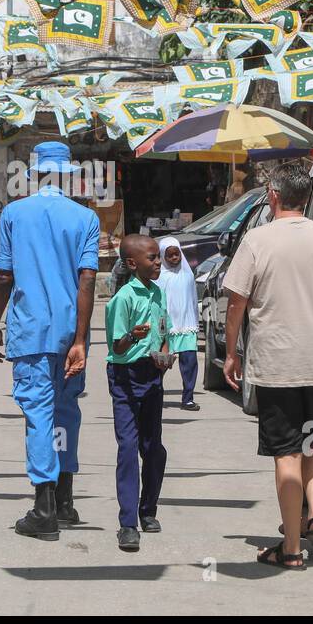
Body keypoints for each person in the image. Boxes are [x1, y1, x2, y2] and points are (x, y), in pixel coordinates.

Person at [222, 167, 313, 571]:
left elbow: (236, 303)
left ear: (273, 195)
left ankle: (292, 548)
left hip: (278, 362)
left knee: (286, 453)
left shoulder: (257, 239)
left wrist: (231, 353)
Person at [0, 141, 100, 542]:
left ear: (33, 173)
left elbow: (4, 276)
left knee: (38, 414)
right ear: (68, 174)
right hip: (71, 333)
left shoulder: (15, 214)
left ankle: (44, 507)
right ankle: (66, 499)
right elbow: (88, 279)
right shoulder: (86, 217)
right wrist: (82, 339)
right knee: (65, 413)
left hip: (31, 334)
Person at [105, 235, 172, 552]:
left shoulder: (158, 293)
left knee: (153, 447)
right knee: (129, 448)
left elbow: (163, 329)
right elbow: (116, 347)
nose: (158, 262)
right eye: (152, 258)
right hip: (126, 376)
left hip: (152, 374)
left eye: (158, 257)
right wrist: (133, 335)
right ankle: (128, 522)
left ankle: (149, 510)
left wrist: (164, 352)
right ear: (132, 264)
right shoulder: (123, 299)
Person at [155, 236, 201, 412]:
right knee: (161, 365)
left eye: (177, 254)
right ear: (163, 256)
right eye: (170, 256)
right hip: (166, 327)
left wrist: (195, 322)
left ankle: (188, 398)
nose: (175, 258)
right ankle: (154, 396)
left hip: (187, 326)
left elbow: (193, 299)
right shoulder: (159, 277)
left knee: (189, 363)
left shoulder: (187, 274)